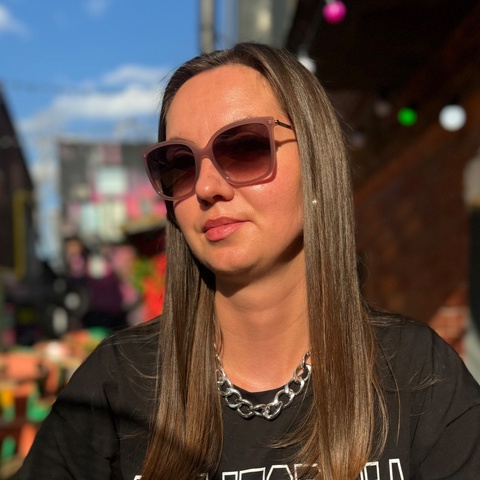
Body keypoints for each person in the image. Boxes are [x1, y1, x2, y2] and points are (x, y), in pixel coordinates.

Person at [16, 43, 480, 480]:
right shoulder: (116, 384)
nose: (206, 187)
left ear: (316, 165)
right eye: (179, 163)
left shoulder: (417, 372)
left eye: (244, 148)